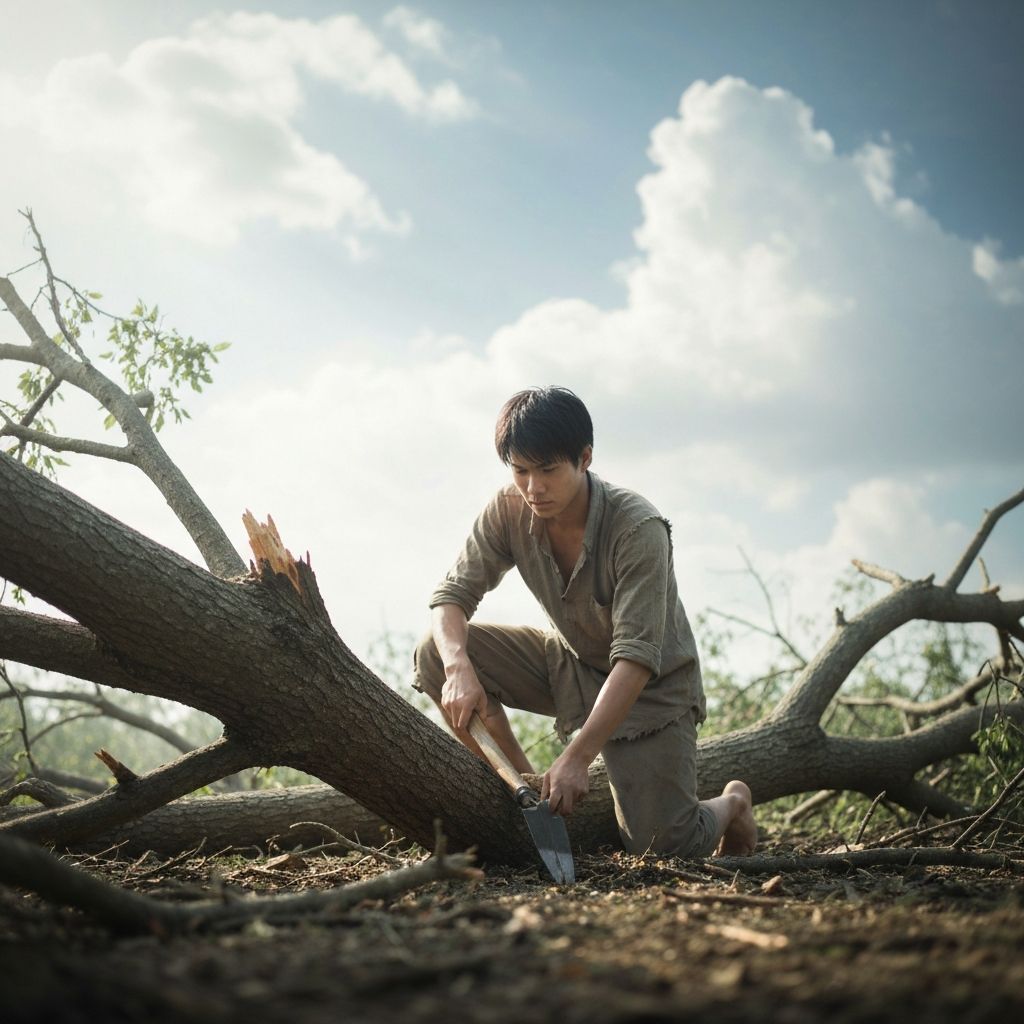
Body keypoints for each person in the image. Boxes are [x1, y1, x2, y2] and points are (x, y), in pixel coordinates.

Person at [414, 386, 756, 858]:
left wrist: (576, 759)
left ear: (585, 458)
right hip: (568, 661)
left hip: (651, 689)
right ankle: (527, 793)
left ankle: (733, 804)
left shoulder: (638, 528)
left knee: (663, 848)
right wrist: (458, 670)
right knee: (435, 651)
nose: (533, 487)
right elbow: (449, 598)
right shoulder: (507, 509)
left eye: (548, 470)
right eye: (520, 471)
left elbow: (636, 659)